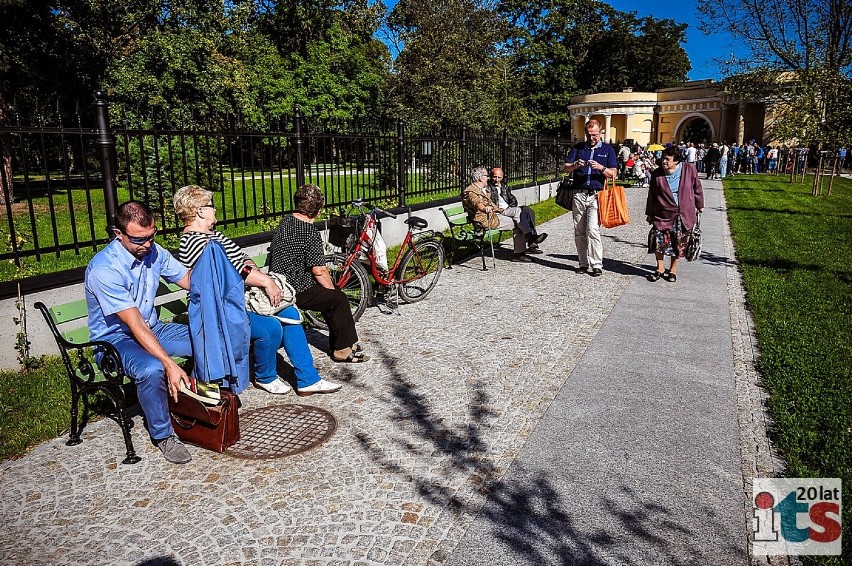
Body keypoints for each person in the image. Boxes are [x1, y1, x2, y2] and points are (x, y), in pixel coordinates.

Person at [173, 185, 340, 397]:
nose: (215, 210)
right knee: (270, 328)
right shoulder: (195, 241)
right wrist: (265, 281)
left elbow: (241, 258)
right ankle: (265, 376)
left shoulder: (212, 235)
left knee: (289, 312)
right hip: (222, 311)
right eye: (211, 206)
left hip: (240, 299)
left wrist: (252, 270)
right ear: (200, 211)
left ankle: (308, 379)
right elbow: (228, 273)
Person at [85, 201, 194, 464]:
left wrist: (219, 270)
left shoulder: (153, 251)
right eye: (138, 239)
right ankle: (163, 435)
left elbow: (188, 280)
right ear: (118, 234)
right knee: (151, 369)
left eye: (151, 236)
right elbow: (134, 325)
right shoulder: (104, 270)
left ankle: (193, 405)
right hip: (115, 341)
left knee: (203, 342)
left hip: (152, 328)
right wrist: (169, 364)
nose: (146, 244)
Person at [269, 184, 369, 363]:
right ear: (318, 209)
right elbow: (319, 270)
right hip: (294, 287)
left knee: (333, 295)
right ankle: (341, 349)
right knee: (337, 298)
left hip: (280, 280)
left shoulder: (286, 221)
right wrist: (333, 291)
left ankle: (344, 342)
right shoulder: (309, 232)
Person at [562, 118, 618, 276]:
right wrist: (575, 166)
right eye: (588, 135)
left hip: (596, 195)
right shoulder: (579, 147)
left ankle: (596, 264)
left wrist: (601, 168)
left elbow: (613, 173)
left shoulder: (607, 149)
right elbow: (565, 168)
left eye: (594, 135)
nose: (591, 138)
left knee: (593, 229)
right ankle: (582, 263)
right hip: (579, 193)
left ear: (600, 132)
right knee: (579, 230)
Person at [645, 146, 705, 283]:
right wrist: (650, 213)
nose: (663, 161)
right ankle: (659, 268)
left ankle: (672, 270)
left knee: (679, 243)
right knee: (658, 241)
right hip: (663, 213)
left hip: (683, 213)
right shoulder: (657, 174)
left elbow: (697, 188)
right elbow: (652, 196)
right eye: (663, 158)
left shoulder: (689, 170)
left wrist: (700, 204)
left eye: (667, 159)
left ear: (676, 161)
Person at [463, 166, 544, 263]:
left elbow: (493, 203)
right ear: (480, 178)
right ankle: (523, 249)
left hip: (493, 215)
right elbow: (477, 202)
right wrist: (484, 208)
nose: (488, 178)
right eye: (486, 176)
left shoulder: (481, 189)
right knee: (518, 223)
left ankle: (527, 240)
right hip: (486, 220)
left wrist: (500, 209)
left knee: (520, 212)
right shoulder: (471, 191)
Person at [487, 167, 547, 255]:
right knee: (520, 215)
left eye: (499, 177)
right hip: (499, 211)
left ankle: (532, 240)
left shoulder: (504, 186)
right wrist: (504, 209)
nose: (496, 180)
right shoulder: (488, 187)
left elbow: (513, 199)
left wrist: (511, 207)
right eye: (494, 177)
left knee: (528, 210)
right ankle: (531, 240)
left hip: (508, 209)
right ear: (490, 176)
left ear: (502, 177)